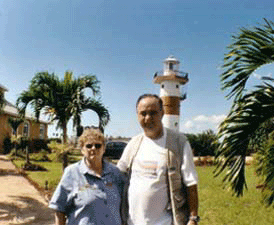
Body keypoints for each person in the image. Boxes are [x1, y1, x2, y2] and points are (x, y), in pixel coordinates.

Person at [117, 94, 199, 225]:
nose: (148, 118)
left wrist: (193, 218)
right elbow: (117, 174)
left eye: (153, 113)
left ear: (162, 113)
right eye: (143, 113)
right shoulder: (133, 143)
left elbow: (191, 184)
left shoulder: (179, 143)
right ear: (137, 115)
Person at [49, 128, 125, 225]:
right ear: (82, 150)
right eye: (89, 146)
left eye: (98, 145)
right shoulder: (72, 172)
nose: (93, 148)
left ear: (104, 149)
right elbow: (59, 209)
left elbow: (124, 206)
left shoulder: (115, 173)